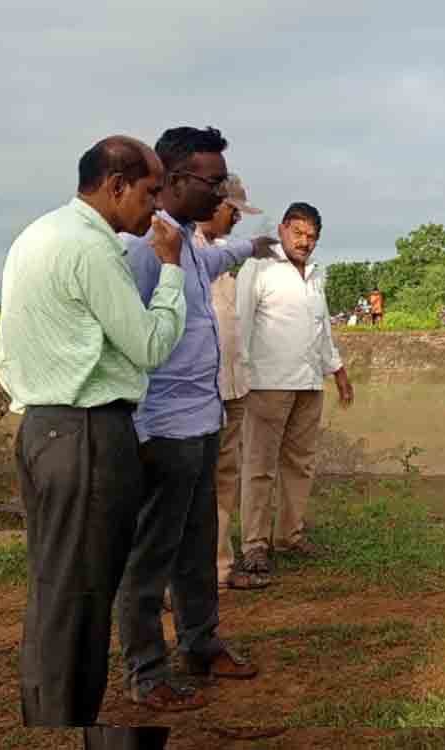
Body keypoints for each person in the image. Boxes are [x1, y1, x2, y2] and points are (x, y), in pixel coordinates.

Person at [0, 135, 183, 748]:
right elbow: (151, 345)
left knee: (56, 591)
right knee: (80, 599)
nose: (155, 210)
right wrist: (173, 270)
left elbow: (6, 351)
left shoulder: (36, 236)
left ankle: (50, 717)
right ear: (116, 184)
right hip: (88, 435)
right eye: (150, 192)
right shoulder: (92, 249)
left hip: (44, 429)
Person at [119, 127, 277, 713]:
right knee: (151, 551)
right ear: (176, 179)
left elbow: (213, 260)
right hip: (161, 427)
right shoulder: (141, 247)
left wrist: (250, 245)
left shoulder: (182, 241)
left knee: (198, 541)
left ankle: (201, 643)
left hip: (201, 419)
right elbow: (125, 337)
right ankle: (145, 668)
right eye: (213, 183)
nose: (221, 196)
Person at [237, 202, 355, 582]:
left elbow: (321, 330)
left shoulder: (316, 275)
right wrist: (238, 376)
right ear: (284, 228)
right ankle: (255, 544)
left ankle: (289, 535)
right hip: (267, 383)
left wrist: (336, 369)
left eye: (312, 237)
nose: (305, 242)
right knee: (259, 467)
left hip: (308, 383)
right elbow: (241, 324)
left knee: (301, 463)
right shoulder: (260, 267)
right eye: (299, 233)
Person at [193, 173, 271, 591]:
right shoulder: (179, 247)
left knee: (225, 479)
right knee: (189, 486)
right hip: (198, 390)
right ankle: (182, 578)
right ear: (212, 201)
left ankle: (219, 569)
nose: (237, 219)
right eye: (233, 210)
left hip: (231, 384)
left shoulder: (221, 255)